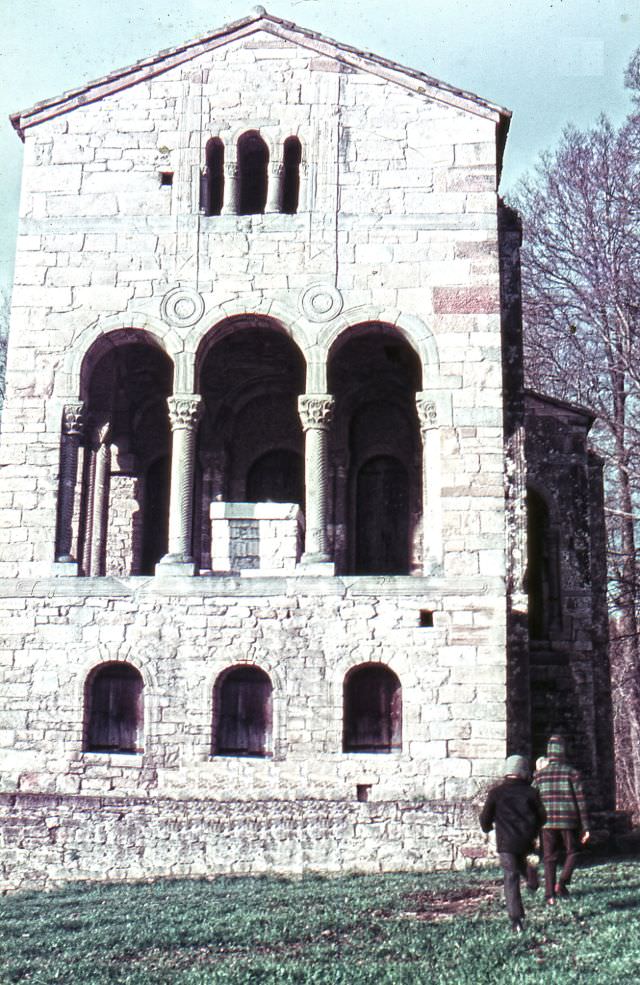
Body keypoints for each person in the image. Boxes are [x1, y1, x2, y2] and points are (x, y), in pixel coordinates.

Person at [480, 754, 547, 933]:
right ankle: (532, 878)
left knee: (511, 877)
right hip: (526, 841)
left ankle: (516, 920)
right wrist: (534, 829)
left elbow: (485, 818)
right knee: (524, 865)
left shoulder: (496, 793)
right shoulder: (531, 793)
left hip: (506, 842)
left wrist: (487, 827)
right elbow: (543, 817)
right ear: (523, 771)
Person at [533, 734, 590, 905]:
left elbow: (533, 798)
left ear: (549, 753)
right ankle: (562, 882)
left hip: (546, 822)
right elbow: (581, 801)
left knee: (549, 857)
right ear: (563, 752)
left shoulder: (539, 776)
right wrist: (586, 826)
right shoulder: (572, 773)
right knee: (573, 851)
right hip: (569, 820)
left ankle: (549, 895)